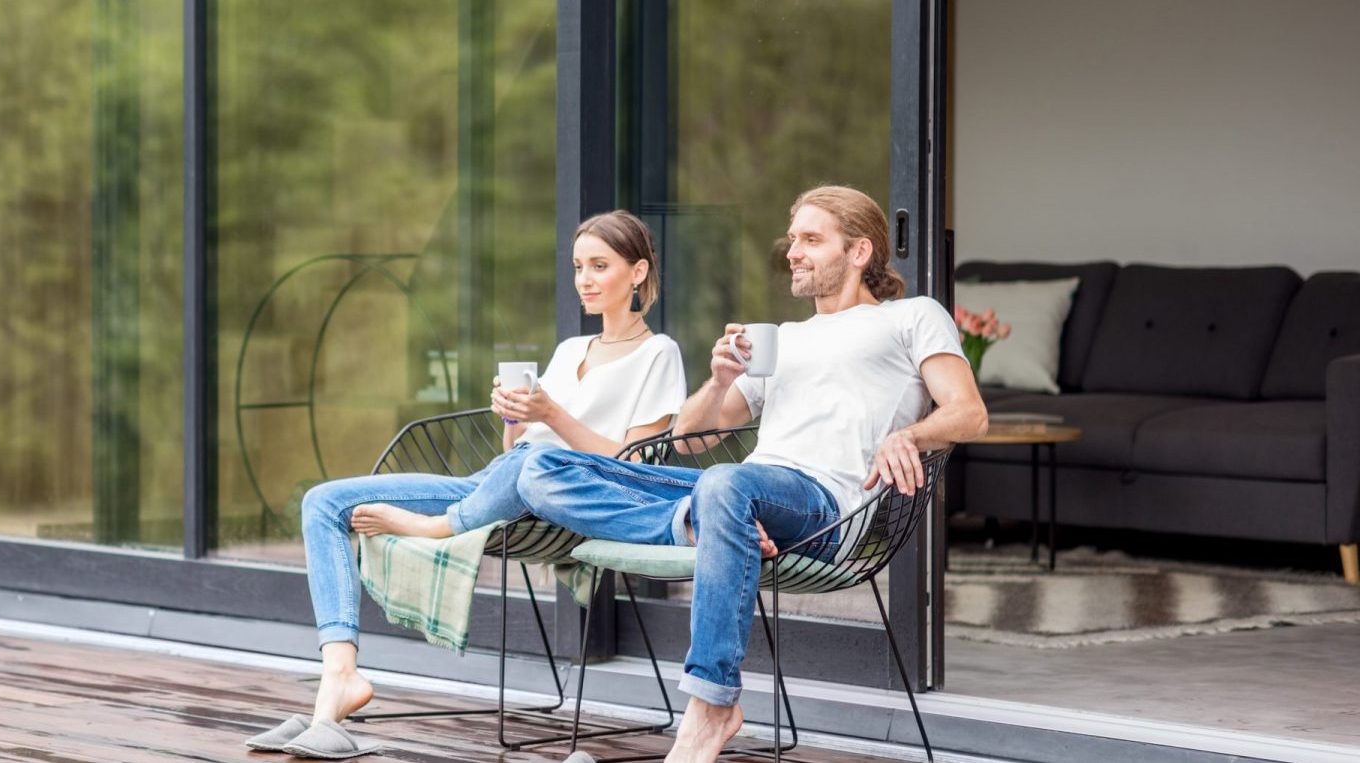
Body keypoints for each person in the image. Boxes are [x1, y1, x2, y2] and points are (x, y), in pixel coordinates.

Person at [520, 186, 988, 763]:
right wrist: (718, 381)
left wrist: (909, 434)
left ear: (860, 251)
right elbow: (697, 438)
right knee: (542, 469)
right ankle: (712, 522)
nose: (793, 251)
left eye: (811, 239)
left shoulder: (910, 317)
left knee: (725, 485)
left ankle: (713, 702)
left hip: (825, 510)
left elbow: (970, 413)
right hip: (745, 491)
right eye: (793, 239)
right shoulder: (781, 341)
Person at [245, 210, 689, 755]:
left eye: (600, 266)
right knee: (323, 503)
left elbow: (631, 465)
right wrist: (514, 418)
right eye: (578, 267)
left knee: (531, 469)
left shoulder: (657, 352)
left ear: (638, 272)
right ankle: (338, 679)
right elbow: (517, 448)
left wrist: (551, 418)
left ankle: (435, 528)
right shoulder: (573, 350)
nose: (585, 280)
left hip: (558, 498)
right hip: (497, 483)